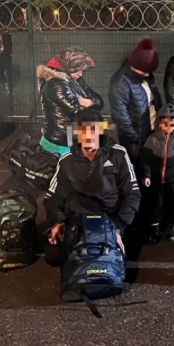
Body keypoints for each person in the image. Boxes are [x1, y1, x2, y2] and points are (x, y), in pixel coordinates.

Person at [44, 108, 141, 266]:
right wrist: (59, 221)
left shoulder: (118, 154)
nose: (88, 136)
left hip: (110, 218)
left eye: (93, 130)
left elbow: (133, 193)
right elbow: (52, 197)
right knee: (54, 256)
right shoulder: (66, 160)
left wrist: (117, 226)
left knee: (110, 259)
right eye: (83, 131)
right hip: (78, 218)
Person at [139, 105, 174, 243]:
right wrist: (146, 174)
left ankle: (171, 228)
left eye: (172, 123)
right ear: (159, 123)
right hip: (156, 182)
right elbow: (144, 160)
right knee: (155, 206)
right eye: (165, 122)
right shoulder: (152, 140)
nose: (168, 126)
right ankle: (154, 231)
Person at [37, 46, 104, 156]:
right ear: (67, 67)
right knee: (62, 171)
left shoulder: (73, 79)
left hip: (73, 138)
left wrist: (90, 102)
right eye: (77, 70)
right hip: (61, 142)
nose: (80, 74)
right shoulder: (56, 83)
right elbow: (77, 112)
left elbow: (99, 101)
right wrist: (90, 104)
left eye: (82, 70)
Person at [108, 37, 161, 163]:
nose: (148, 74)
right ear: (134, 65)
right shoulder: (120, 81)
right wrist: (134, 137)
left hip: (151, 132)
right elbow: (121, 115)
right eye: (144, 71)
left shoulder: (146, 76)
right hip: (136, 140)